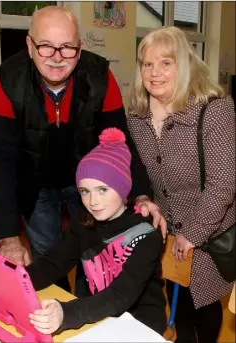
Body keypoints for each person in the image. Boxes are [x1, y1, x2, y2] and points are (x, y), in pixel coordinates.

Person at [0, 5, 166, 292]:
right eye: (46, 46)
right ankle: (57, 310)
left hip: (86, 181)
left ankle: (88, 312)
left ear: (80, 49)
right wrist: (8, 237)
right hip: (34, 183)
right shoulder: (8, 82)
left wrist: (142, 194)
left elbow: (121, 142)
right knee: (48, 254)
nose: (57, 58)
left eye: (67, 47)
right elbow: (1, 160)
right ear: (30, 46)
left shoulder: (100, 77)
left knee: (94, 254)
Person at [0, 128, 167, 336]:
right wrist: (5, 284)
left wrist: (67, 314)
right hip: (96, 315)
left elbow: (119, 296)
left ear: (122, 188)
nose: (93, 201)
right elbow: (53, 264)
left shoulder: (147, 235)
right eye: (85, 191)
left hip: (139, 324)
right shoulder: (84, 224)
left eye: (103, 189)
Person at [127, 26, 235, 343]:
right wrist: (144, 195)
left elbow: (224, 183)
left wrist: (193, 233)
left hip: (208, 230)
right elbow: (137, 167)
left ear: (183, 65)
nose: (155, 72)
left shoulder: (214, 110)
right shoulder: (136, 114)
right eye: (147, 64)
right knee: (176, 296)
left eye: (166, 63)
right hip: (166, 228)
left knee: (202, 304)